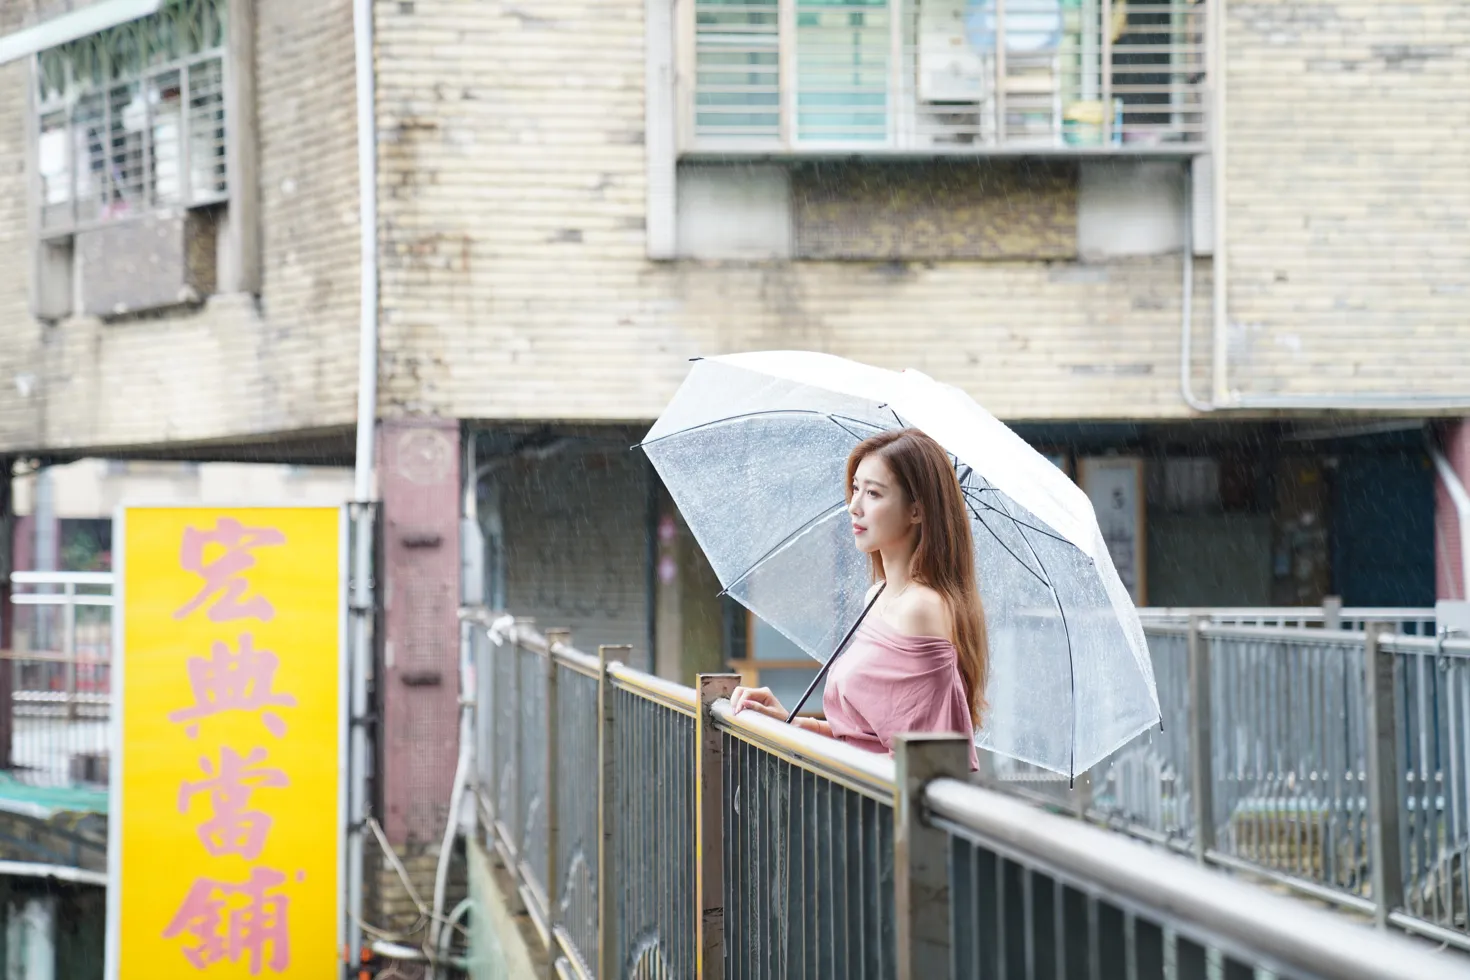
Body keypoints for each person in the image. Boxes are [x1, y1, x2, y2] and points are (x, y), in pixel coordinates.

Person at [730, 428, 988, 770]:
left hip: (885, 813)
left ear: (916, 511)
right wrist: (789, 722)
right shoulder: (877, 596)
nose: (854, 507)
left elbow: (926, 758)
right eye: (855, 489)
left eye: (874, 494)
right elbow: (861, 738)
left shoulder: (920, 609)